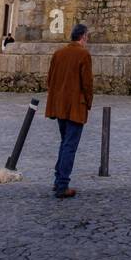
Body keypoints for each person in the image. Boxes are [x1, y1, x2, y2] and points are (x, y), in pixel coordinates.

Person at [45, 22, 93, 199]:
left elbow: (50, 80)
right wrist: (88, 102)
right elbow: (87, 84)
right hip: (75, 107)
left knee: (65, 142)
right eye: (87, 37)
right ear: (83, 37)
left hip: (59, 107)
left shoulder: (58, 54)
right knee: (70, 146)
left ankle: (58, 181)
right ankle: (62, 185)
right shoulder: (83, 55)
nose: (87, 40)